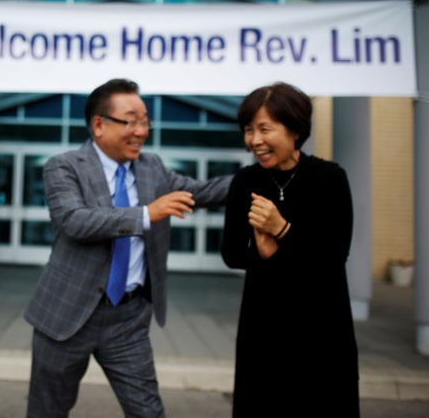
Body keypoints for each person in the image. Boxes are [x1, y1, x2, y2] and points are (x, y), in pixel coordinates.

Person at [23, 78, 233, 417]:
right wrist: (147, 214)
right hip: (66, 315)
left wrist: (262, 175)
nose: (141, 130)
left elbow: (205, 190)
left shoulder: (152, 168)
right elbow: (75, 221)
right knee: (47, 411)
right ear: (99, 125)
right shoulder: (64, 166)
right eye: (131, 121)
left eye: (145, 121)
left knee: (147, 411)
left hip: (128, 318)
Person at [220, 82, 360, 417]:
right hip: (263, 327)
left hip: (323, 326)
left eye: (265, 129)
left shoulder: (330, 178)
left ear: (295, 129)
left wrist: (281, 229)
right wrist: (262, 254)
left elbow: (334, 254)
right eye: (249, 130)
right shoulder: (245, 182)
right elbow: (232, 253)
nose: (255, 140)